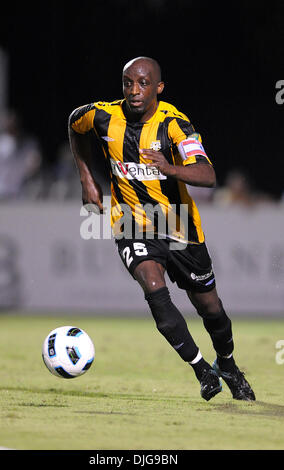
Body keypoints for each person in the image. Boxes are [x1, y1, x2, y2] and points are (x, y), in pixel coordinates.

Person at [68, 56, 255, 402]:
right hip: (132, 224)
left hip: (179, 227)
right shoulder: (103, 115)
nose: (134, 91)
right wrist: (86, 177)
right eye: (128, 83)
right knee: (154, 289)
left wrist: (170, 168)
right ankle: (202, 370)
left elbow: (208, 175)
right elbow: (75, 122)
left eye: (142, 83)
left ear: (158, 87)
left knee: (211, 308)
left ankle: (227, 364)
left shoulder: (174, 125)